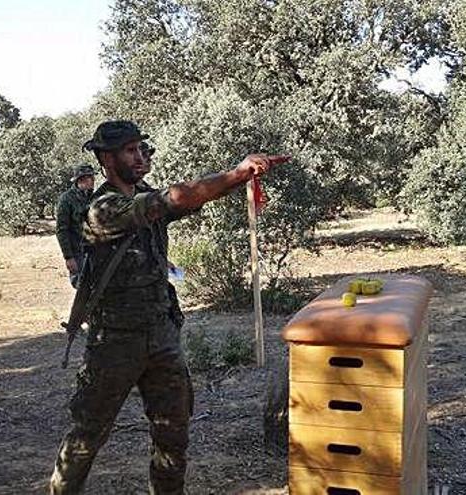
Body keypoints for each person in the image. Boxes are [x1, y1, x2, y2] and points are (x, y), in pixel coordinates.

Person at [49, 120, 288, 494]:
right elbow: (176, 197)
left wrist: (241, 178)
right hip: (115, 342)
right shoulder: (104, 209)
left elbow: (192, 196)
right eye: (131, 150)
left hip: (161, 335)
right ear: (106, 159)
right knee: (87, 436)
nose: (142, 156)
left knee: (173, 433)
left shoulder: (144, 194)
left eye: (143, 148)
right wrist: (236, 172)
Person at [56, 163, 95, 287]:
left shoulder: (93, 197)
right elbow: (62, 230)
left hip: (94, 252)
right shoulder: (66, 199)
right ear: (81, 179)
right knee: (82, 288)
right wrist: (68, 257)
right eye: (90, 178)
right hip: (78, 253)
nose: (93, 180)